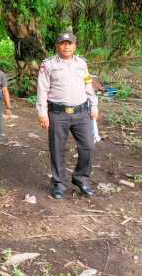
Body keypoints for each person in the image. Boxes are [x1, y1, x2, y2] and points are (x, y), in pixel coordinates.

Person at [37, 32, 98, 200]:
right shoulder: (48, 65)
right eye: (63, 43)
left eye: (69, 43)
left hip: (81, 113)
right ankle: (58, 183)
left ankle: (81, 178)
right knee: (57, 149)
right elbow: (42, 89)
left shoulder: (81, 64)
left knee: (88, 146)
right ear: (57, 46)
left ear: (75, 46)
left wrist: (94, 105)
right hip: (58, 114)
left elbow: (88, 85)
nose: (66, 46)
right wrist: (42, 113)